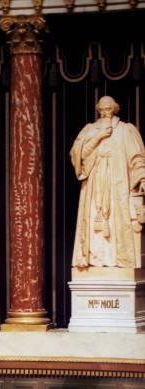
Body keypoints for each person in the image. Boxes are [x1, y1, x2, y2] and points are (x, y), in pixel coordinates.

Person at [71, 95, 145, 269]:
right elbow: (78, 154)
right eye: (102, 109)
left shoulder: (125, 130)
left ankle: (117, 260)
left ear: (115, 109)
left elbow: (137, 157)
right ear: (98, 110)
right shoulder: (89, 130)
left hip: (117, 183)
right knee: (93, 221)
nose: (105, 112)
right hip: (95, 183)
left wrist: (142, 177)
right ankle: (95, 260)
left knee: (117, 219)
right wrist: (98, 137)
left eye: (108, 109)